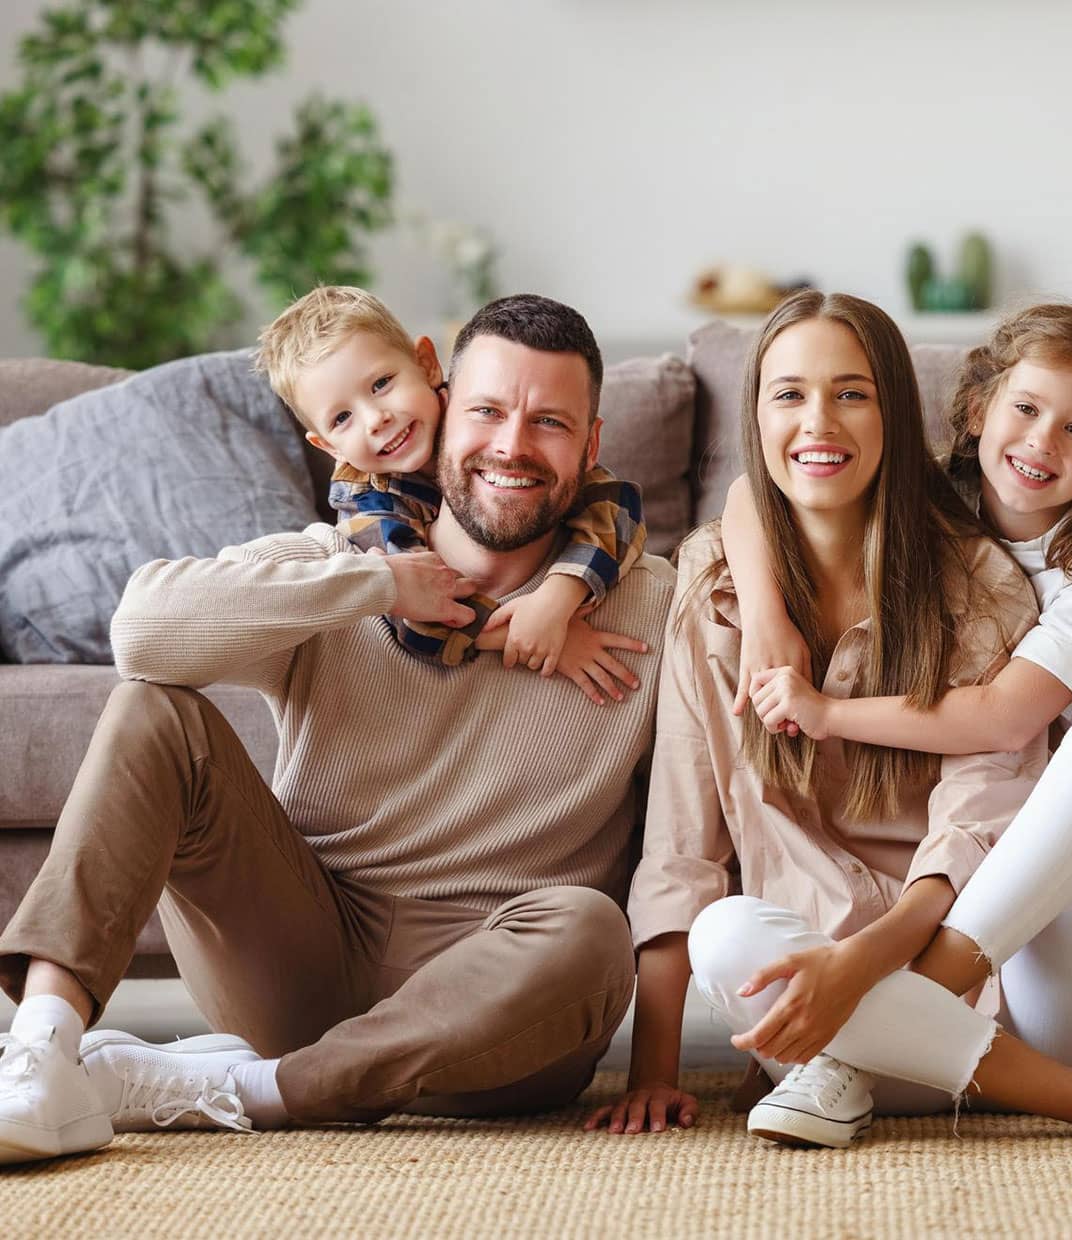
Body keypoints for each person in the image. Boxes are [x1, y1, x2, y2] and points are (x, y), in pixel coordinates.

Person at [588, 290, 1072, 1147]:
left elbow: (990, 766)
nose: (819, 420)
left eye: (851, 393)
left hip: (1023, 960)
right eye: (789, 394)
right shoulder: (722, 584)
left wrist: (868, 964)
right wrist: (654, 1071)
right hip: (822, 1018)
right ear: (979, 413)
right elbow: (680, 846)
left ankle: (904, 1051)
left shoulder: (1002, 574)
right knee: (726, 932)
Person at [0, 294, 675, 1165]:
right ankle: (44, 1054)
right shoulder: (342, 559)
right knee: (152, 707)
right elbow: (140, 635)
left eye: (548, 422)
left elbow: (758, 527)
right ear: (450, 401)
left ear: (591, 445)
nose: (510, 445)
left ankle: (248, 1089)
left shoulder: (655, 604)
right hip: (302, 954)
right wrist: (378, 585)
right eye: (488, 411)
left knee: (591, 929)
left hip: (498, 1007)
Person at [256, 284, 646, 681]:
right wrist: (532, 635)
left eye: (381, 384)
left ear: (427, 364)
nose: (376, 419)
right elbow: (417, 613)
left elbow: (617, 506)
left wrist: (558, 596)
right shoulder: (368, 505)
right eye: (342, 418)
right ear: (328, 446)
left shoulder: (477, 410)